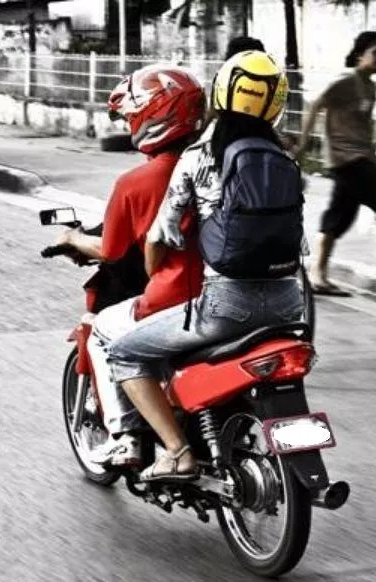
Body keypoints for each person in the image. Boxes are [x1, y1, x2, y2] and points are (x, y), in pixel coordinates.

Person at [106, 50, 305, 481]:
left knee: (125, 351)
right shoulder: (286, 160)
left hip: (226, 307)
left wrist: (154, 264)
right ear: (276, 104)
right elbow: (298, 241)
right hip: (291, 306)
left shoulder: (198, 156)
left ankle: (177, 451)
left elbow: (161, 237)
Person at [51, 65, 208, 467]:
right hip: (234, 290)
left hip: (179, 296)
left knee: (106, 331)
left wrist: (70, 239)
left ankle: (127, 436)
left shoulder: (137, 183)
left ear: (150, 115)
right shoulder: (219, 166)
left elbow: (111, 249)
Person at [294, 31, 376, 295]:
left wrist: (373, 153)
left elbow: (364, 126)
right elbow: (315, 104)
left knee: (340, 215)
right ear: (360, 55)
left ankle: (317, 274)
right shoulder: (345, 81)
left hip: (361, 158)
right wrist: (304, 143)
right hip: (346, 160)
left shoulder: (371, 86)